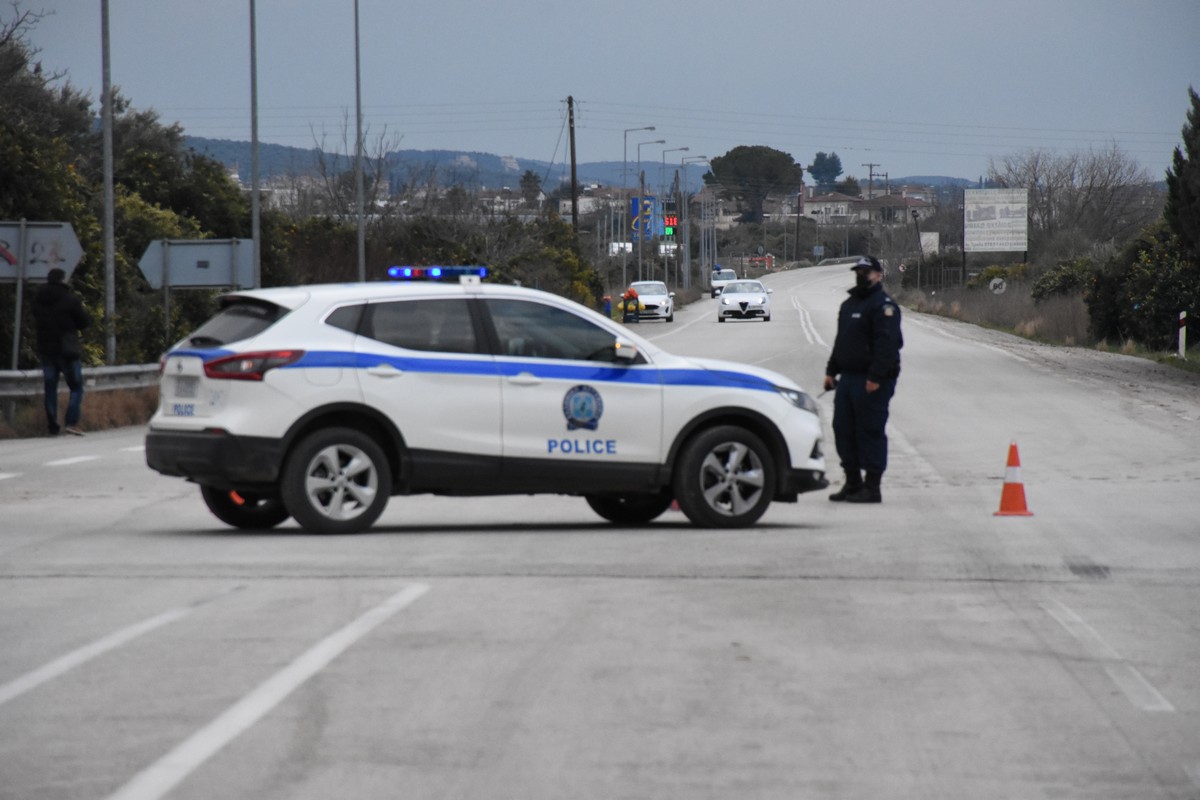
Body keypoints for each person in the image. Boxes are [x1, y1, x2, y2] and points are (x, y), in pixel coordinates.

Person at [823, 255, 903, 503]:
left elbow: (887, 346)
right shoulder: (849, 305)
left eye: (866, 272)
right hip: (848, 378)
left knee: (869, 430)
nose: (861, 275)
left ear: (878, 275)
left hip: (873, 380)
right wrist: (831, 371)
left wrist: (876, 377)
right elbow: (841, 342)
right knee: (843, 429)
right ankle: (853, 481)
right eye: (858, 271)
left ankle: (872, 486)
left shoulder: (884, 306)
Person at [32, 268, 91, 436]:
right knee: (76, 387)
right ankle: (71, 422)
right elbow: (84, 322)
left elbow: (36, 317)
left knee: (50, 387)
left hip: (46, 350)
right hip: (67, 351)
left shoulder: (38, 300)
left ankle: (52, 426)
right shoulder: (69, 300)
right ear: (62, 280)